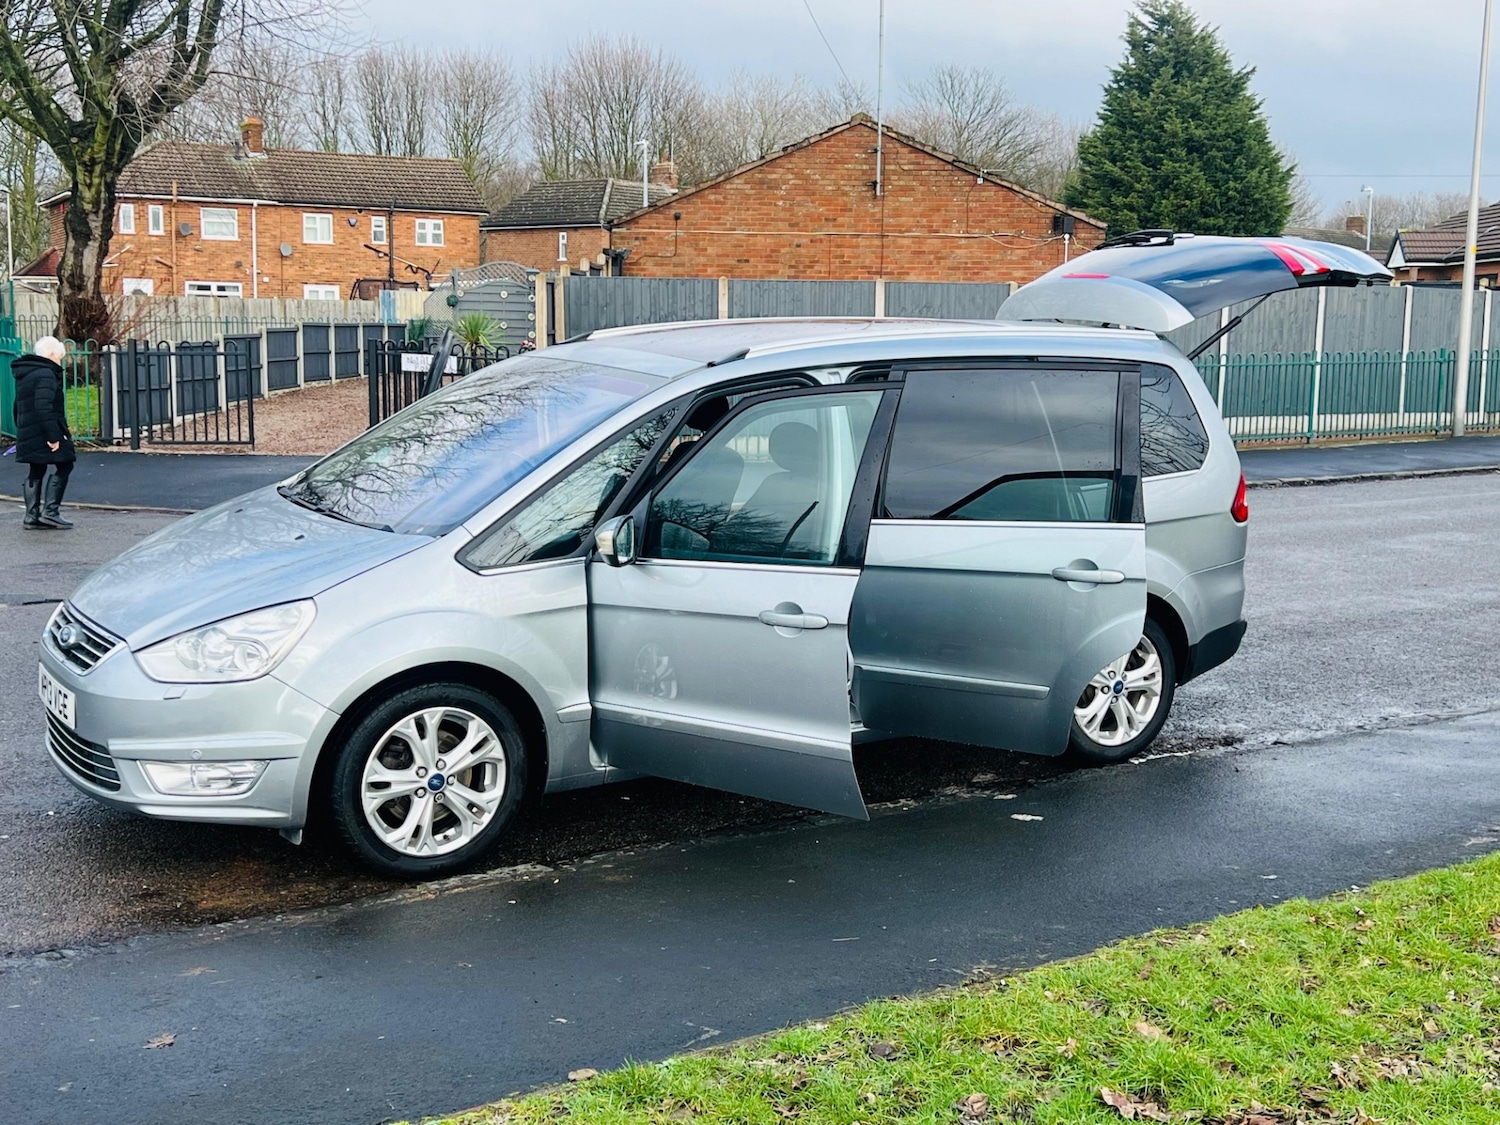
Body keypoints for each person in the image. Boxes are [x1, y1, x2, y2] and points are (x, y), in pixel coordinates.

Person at [12, 336, 76, 530]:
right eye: (59, 358)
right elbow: (43, 406)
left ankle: (31, 516)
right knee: (65, 464)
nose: (60, 362)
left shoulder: (27, 373)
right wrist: (53, 437)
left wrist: (21, 429)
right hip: (46, 429)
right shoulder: (46, 374)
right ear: (51, 355)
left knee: (36, 469)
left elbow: (18, 405)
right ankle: (51, 512)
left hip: (29, 429)